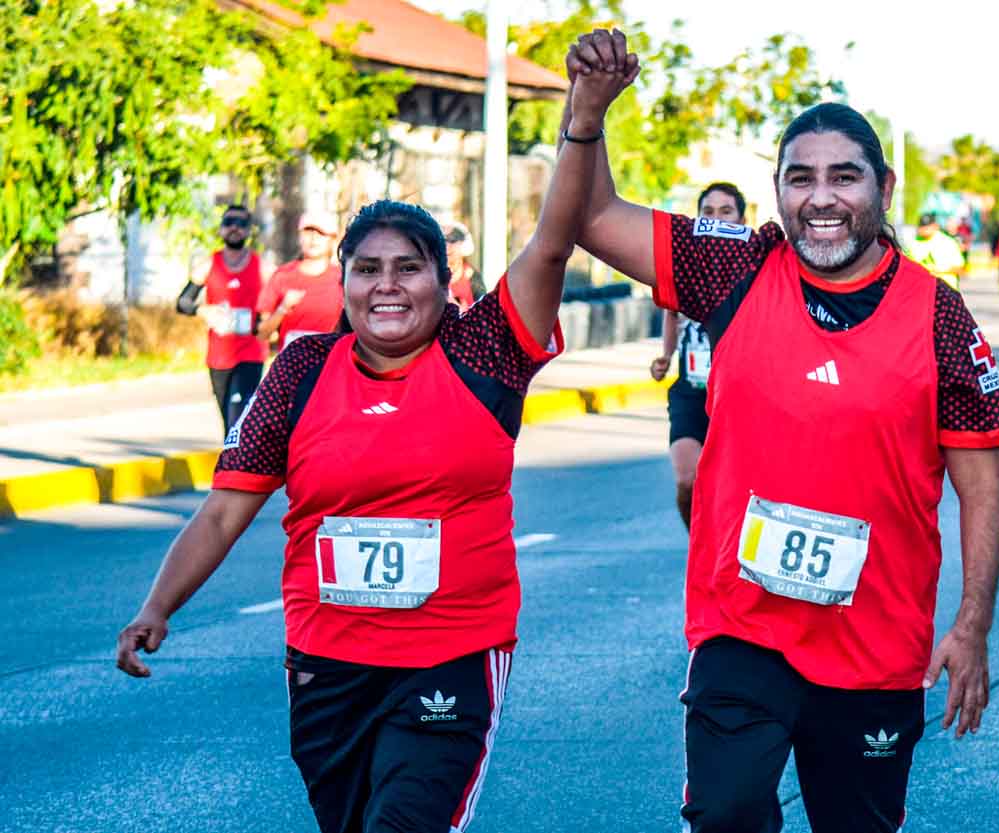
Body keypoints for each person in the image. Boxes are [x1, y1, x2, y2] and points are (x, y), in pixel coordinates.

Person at [117, 59, 636, 833]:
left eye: (407, 268)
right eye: (367, 270)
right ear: (345, 283)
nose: (386, 285)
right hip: (325, 665)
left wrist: (583, 117)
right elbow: (224, 511)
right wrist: (157, 606)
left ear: (444, 280)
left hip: (450, 658)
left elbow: (552, 245)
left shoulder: (484, 350)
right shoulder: (301, 370)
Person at [568, 30, 999, 833]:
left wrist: (972, 624)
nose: (821, 197)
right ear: (776, 190)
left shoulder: (938, 314)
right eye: (799, 177)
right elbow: (596, 217)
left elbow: (981, 482)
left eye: (844, 176)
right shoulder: (735, 267)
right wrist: (588, 114)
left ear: (884, 186)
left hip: (875, 645)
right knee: (727, 812)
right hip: (742, 629)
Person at [650, 182, 747, 529]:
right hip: (691, 391)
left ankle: (726, 547)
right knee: (686, 477)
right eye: (708, 212)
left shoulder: (752, 269)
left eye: (726, 212)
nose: (716, 220)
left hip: (737, 396)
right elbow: (670, 311)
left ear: (741, 221)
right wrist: (666, 355)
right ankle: (698, 544)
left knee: (737, 487)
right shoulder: (686, 266)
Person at [175, 204, 267, 437]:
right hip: (218, 356)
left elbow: (277, 301)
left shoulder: (261, 266)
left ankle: (237, 459)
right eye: (228, 223)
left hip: (250, 354)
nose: (234, 228)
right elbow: (182, 302)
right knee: (228, 419)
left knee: (239, 415)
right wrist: (203, 310)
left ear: (249, 230)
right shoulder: (209, 264)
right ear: (220, 229)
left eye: (241, 223)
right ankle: (233, 457)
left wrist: (265, 323)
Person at [256, 210, 344, 351]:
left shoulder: (343, 279)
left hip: (331, 361)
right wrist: (282, 309)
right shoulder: (282, 276)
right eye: (308, 232)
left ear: (333, 239)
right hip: (292, 362)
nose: (313, 238)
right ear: (299, 236)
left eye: (321, 233)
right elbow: (262, 334)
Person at [910, 212, 965, 291]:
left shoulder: (948, 242)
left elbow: (960, 268)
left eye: (928, 226)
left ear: (935, 226)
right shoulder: (913, 243)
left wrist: (939, 270)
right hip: (921, 290)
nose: (925, 229)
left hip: (946, 291)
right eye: (923, 226)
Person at [445, 222, 487, 313]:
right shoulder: (431, 277)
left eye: (452, 240)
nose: (446, 246)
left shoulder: (473, 278)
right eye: (442, 240)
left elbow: (484, 314)